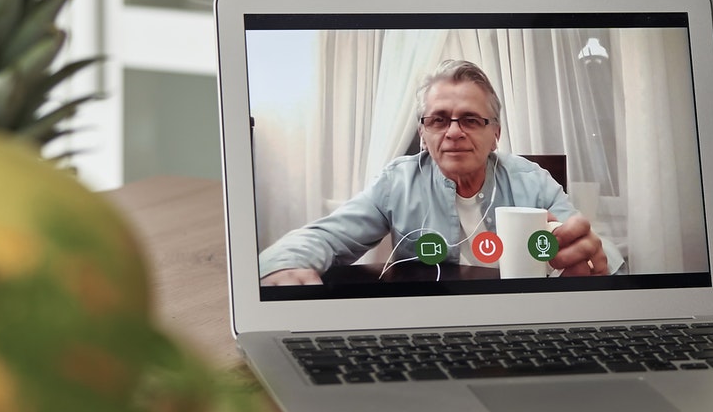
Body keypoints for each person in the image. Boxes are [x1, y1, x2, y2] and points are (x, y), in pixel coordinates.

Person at [258, 60, 618, 282]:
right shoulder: (396, 183)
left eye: (471, 120)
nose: (454, 131)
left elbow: (594, 253)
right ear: (423, 134)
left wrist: (592, 261)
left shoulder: (532, 180)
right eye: (439, 119)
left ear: (495, 134)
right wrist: (285, 264)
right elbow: (325, 238)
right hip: (431, 321)